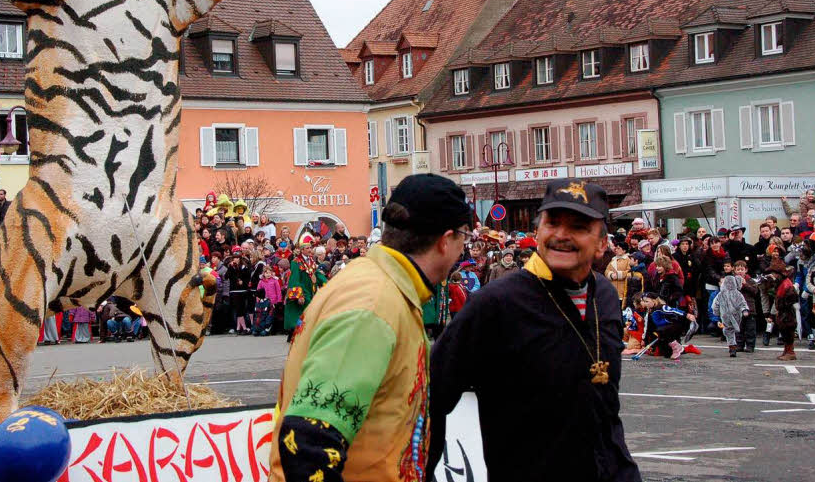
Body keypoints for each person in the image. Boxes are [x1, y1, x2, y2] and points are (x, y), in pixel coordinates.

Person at [428, 179, 640, 482]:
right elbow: (432, 396)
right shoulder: (496, 303)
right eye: (552, 223)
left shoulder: (604, 294)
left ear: (602, 243)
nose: (561, 236)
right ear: (538, 232)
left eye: (578, 226)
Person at [268, 174, 473, 482]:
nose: (463, 250)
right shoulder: (374, 303)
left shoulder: (384, 287)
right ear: (446, 240)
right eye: (464, 238)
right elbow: (309, 442)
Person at [283, 243, 327, 337]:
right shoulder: (296, 262)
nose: (310, 250)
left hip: (311, 291)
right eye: (307, 248)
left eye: (310, 248)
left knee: (306, 312)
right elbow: (295, 279)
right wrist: (299, 295)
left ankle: (300, 332)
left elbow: (317, 274)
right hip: (303, 291)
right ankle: (298, 331)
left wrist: (327, 284)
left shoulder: (311, 260)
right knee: (306, 310)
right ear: (302, 250)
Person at [712, 275, 749, 357]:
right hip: (731, 315)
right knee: (729, 330)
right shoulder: (725, 294)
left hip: (731, 315)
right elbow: (743, 303)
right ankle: (733, 347)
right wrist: (744, 309)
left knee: (730, 330)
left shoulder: (731, 294)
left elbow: (715, 305)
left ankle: (734, 345)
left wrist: (744, 309)